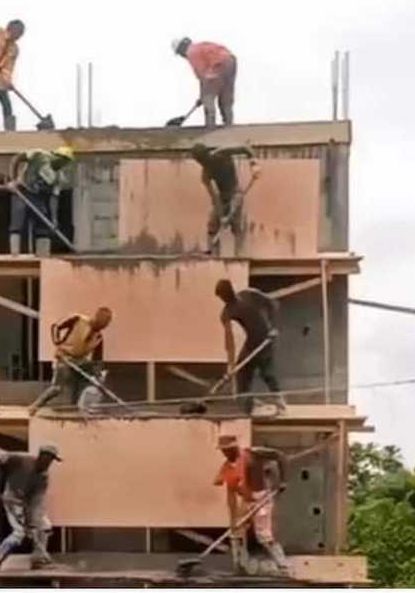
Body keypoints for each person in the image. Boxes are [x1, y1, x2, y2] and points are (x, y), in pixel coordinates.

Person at [214, 435, 289, 574]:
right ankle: (239, 566)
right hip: (246, 500)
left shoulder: (253, 453)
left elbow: (280, 456)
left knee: (264, 535)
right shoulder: (228, 468)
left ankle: (283, 566)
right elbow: (231, 495)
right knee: (236, 533)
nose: (225, 453)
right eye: (223, 451)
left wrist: (283, 480)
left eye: (227, 450)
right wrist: (233, 520)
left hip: (262, 497)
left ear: (235, 447)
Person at [215, 279, 284, 413]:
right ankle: (249, 405)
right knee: (242, 373)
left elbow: (273, 304)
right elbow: (230, 342)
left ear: (230, 291)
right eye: (221, 298)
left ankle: (280, 402)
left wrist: (274, 327)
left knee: (267, 373)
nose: (223, 300)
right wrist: (231, 365)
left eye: (224, 296)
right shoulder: (227, 313)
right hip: (251, 343)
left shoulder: (249, 294)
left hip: (265, 339)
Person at [0, 445, 61, 571]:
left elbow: (37, 502)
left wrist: (33, 523)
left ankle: (39, 560)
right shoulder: (23, 459)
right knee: (19, 533)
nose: (49, 463)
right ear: (41, 456)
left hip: (26, 503)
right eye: (48, 459)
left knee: (44, 526)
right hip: (12, 499)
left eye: (51, 461)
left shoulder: (43, 477)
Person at [29, 307, 112, 414]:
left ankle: (82, 410)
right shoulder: (78, 320)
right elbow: (56, 327)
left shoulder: (98, 337)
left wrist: (97, 376)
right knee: (57, 388)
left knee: (93, 383)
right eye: (101, 323)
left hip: (81, 361)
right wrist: (57, 344)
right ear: (96, 317)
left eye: (104, 325)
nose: (102, 327)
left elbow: (97, 361)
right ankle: (35, 406)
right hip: (65, 357)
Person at [190, 143, 260, 253]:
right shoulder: (206, 174)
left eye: (204, 159)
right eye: (201, 161)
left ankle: (238, 257)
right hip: (222, 197)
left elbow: (246, 149)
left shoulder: (222, 153)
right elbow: (215, 197)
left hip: (235, 191)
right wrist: (222, 216)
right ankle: (214, 255)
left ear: (207, 154)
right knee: (212, 225)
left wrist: (254, 165)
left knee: (236, 225)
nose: (203, 163)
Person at [7, 147, 75, 255]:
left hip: (38, 198)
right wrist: (13, 180)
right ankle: (15, 255)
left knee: (43, 227)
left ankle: (43, 255)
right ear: (56, 156)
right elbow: (17, 158)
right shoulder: (38, 155)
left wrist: (54, 219)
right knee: (17, 223)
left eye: (65, 163)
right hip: (22, 191)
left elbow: (54, 198)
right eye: (62, 160)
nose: (62, 164)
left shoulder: (58, 177)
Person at [172, 37, 237, 127]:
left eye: (180, 53)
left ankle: (210, 126)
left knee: (208, 98)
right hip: (230, 61)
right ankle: (229, 126)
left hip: (217, 64)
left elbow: (203, 76)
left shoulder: (192, 53)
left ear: (181, 49)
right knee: (226, 98)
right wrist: (201, 95)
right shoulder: (201, 46)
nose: (182, 56)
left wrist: (203, 96)